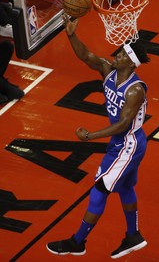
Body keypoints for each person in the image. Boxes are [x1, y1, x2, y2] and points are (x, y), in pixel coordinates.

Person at [46, 13, 150, 258]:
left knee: (100, 188)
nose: (118, 55)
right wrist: (72, 36)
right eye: (119, 52)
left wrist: (90, 136)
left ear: (132, 64)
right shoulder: (108, 70)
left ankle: (77, 241)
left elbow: (124, 124)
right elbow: (86, 56)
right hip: (122, 143)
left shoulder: (135, 90)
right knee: (124, 186)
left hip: (129, 143)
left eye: (123, 55)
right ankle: (133, 236)